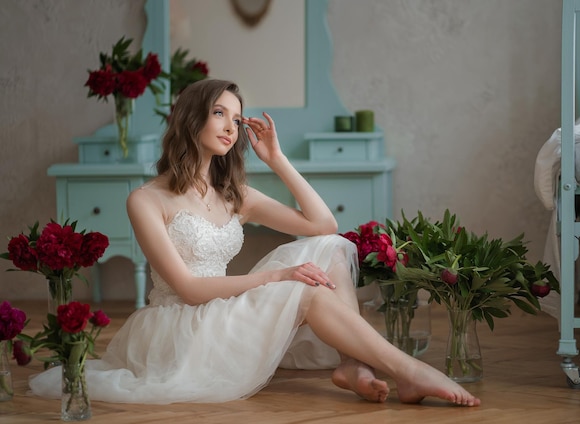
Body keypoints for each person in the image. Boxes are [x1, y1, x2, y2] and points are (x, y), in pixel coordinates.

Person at [29, 79, 480, 407]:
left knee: (332, 249)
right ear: (191, 119)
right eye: (219, 113)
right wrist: (278, 276)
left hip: (224, 308)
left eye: (236, 116)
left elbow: (323, 224)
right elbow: (187, 289)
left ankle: (353, 364)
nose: (231, 126)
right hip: (182, 326)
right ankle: (410, 371)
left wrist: (277, 159)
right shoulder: (146, 199)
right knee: (303, 285)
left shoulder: (233, 194)